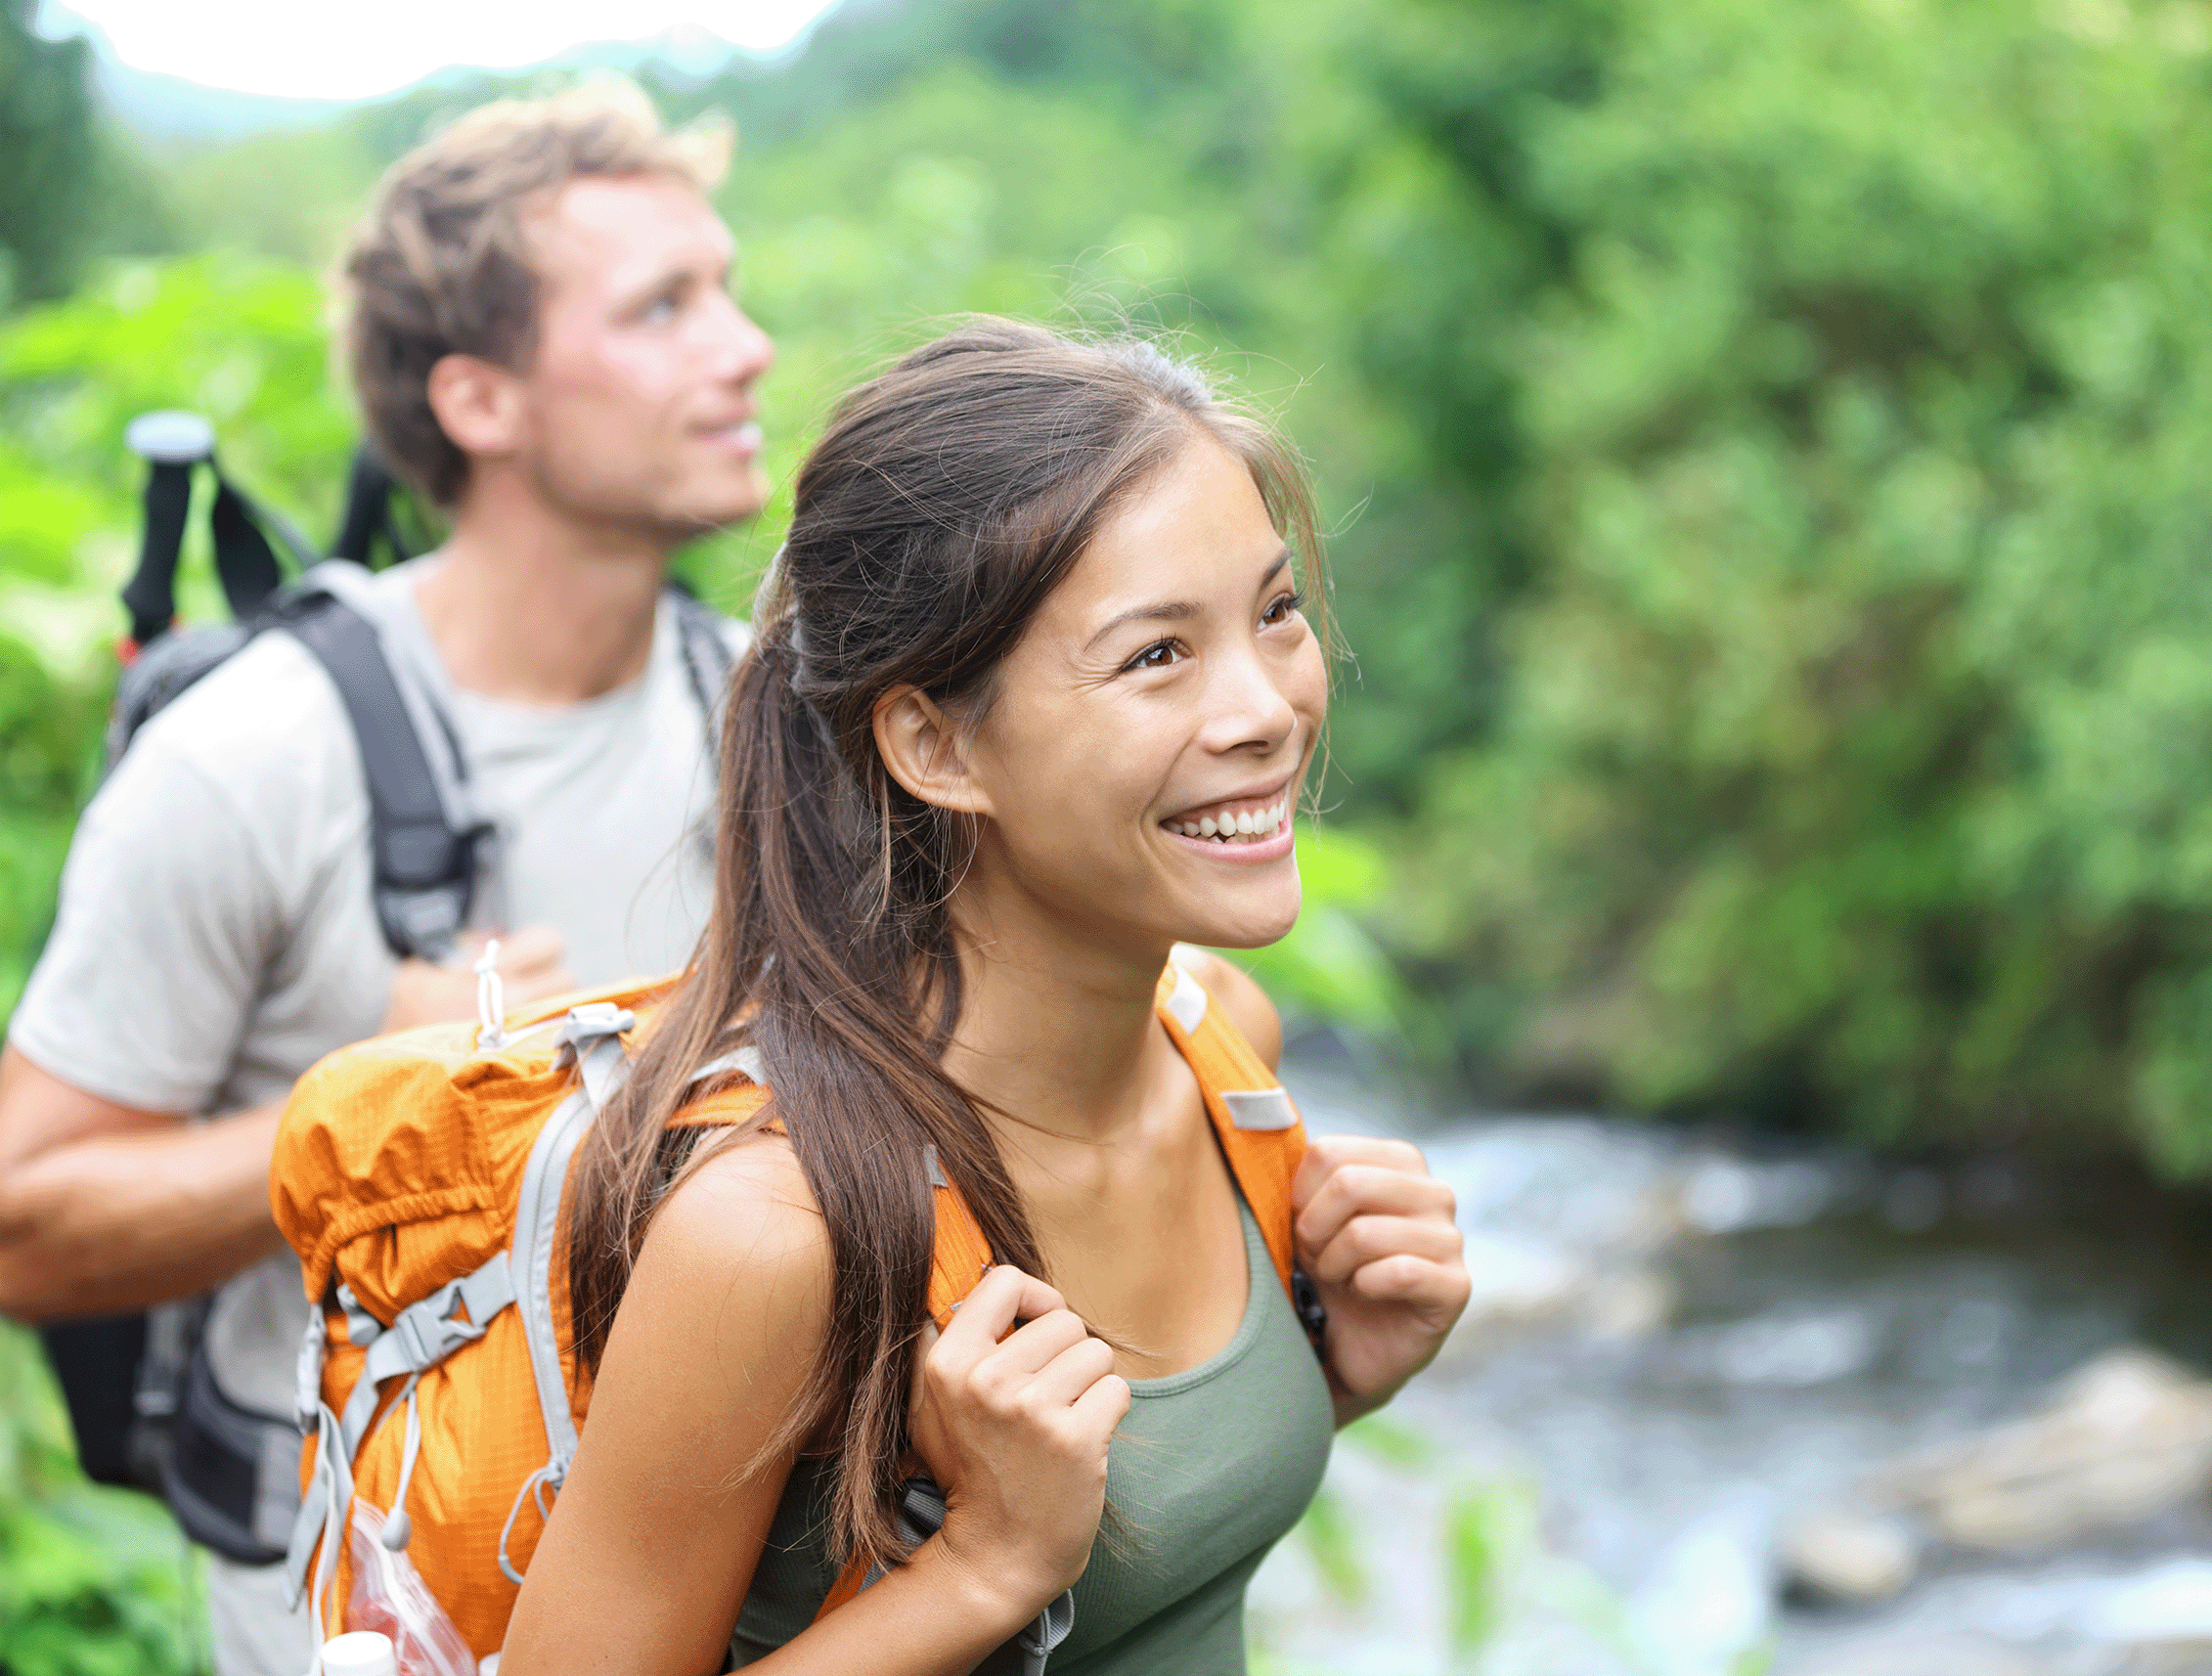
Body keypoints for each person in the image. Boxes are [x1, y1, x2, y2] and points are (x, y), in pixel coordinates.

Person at [500, 320, 1473, 1675]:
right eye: (1155, 656)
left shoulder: (1217, 1048)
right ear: (934, 743)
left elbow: (1146, 1541)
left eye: (1273, 611)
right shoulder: (777, 1234)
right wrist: (986, 1566)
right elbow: (1034, 1549)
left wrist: (1330, 1370)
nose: (1265, 706)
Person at [0, 80, 774, 1676]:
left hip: (734, 1581)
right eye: (662, 307)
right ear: (480, 401)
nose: (745, 345)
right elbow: (24, 1222)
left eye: (727, 287)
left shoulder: (771, 710)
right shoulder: (258, 758)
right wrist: (399, 1104)